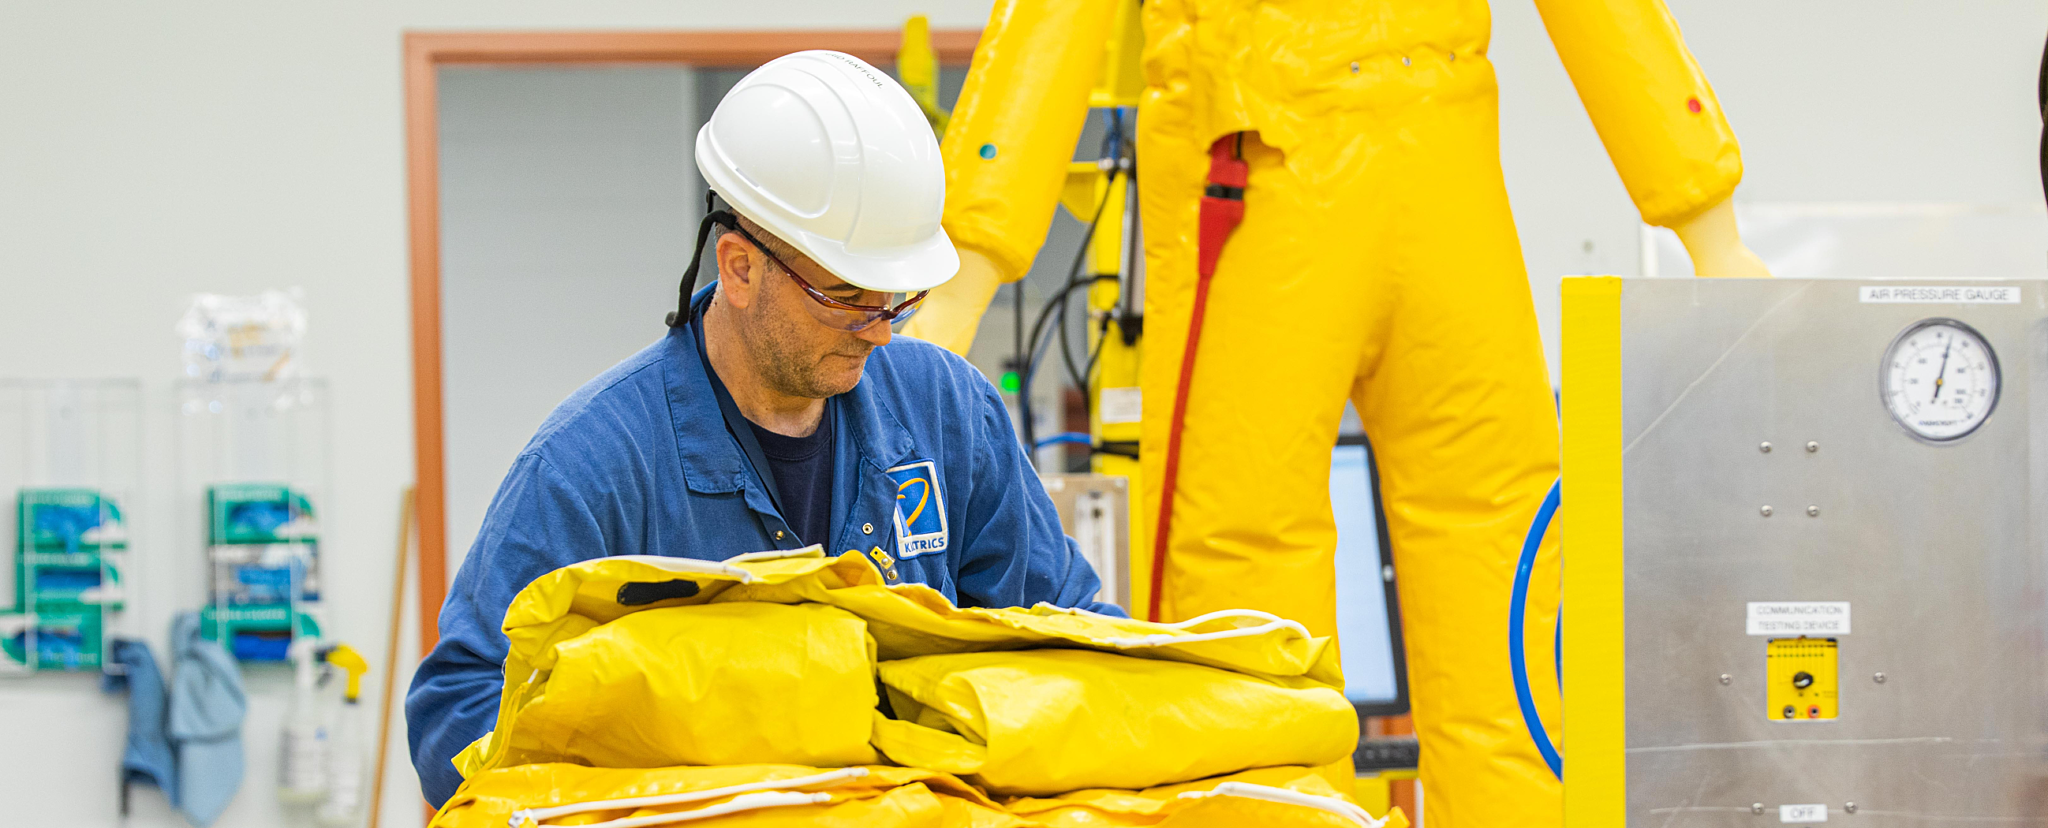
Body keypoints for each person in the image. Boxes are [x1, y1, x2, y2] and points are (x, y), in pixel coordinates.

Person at [404, 51, 1120, 807]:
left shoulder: (947, 413)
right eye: (845, 297)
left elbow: (1074, 641)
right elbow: (458, 710)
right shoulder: (592, 465)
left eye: (897, 299)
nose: (880, 333)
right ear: (740, 269)